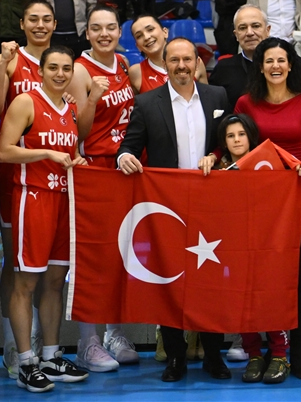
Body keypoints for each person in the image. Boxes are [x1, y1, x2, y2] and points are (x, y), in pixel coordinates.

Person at [117, 38, 231, 383]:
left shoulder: (218, 96)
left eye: (187, 59)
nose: (181, 66)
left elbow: (228, 143)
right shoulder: (146, 102)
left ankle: (213, 355)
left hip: (212, 207)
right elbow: (128, 147)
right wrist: (124, 158)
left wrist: (216, 156)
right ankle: (175, 357)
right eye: (174, 60)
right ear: (164, 64)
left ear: (197, 62)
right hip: (166, 207)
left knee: (212, 282)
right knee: (168, 281)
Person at [0, 45, 89, 393]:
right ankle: (25, 361)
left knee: (55, 281)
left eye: (66, 68)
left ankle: (51, 356)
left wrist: (76, 160)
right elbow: (5, 151)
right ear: (40, 70)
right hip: (33, 199)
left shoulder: (71, 108)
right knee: (26, 282)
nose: (60, 74)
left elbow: (72, 152)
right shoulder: (26, 102)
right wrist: (46, 153)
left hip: (63, 200)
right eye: (53, 67)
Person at [234, 37, 301, 381]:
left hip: (297, 203)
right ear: (260, 67)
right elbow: (237, 147)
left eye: (281, 60)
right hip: (255, 207)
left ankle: (296, 352)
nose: (275, 66)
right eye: (269, 61)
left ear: (290, 65)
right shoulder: (245, 102)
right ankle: (261, 352)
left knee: (300, 280)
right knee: (256, 279)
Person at [65, 5, 139, 372]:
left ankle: (114, 332)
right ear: (87, 33)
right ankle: (87, 341)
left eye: (111, 27)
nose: (104, 34)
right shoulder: (80, 69)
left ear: (120, 31)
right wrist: (93, 97)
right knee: (93, 257)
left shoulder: (123, 63)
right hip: (95, 167)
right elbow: (78, 130)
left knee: (120, 253)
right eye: (97, 28)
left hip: (123, 167)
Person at [209, 5, 272, 111]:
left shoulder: (287, 65)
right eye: (242, 28)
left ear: (267, 30)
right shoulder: (223, 69)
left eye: (256, 26)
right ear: (236, 35)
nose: (249, 33)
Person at [128, 14, 169, 94]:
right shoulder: (136, 72)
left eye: (150, 29)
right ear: (138, 46)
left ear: (165, 32)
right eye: (139, 36)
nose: (146, 37)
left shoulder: (191, 62)